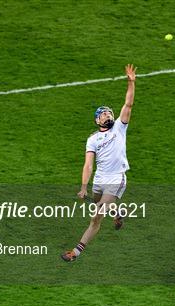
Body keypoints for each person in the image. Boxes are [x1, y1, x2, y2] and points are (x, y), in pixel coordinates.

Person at [62, 64, 136, 262]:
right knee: (98, 213)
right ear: (97, 120)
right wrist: (84, 186)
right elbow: (88, 165)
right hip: (99, 180)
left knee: (97, 213)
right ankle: (118, 212)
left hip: (116, 178)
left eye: (110, 112)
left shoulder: (120, 128)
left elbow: (128, 105)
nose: (108, 115)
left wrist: (131, 82)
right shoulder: (93, 139)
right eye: (104, 113)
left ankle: (75, 253)